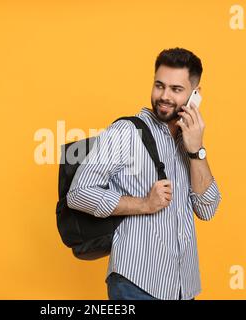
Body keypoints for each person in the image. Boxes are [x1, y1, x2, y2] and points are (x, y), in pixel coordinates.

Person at [67, 47, 222, 300]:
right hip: (136, 284)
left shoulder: (189, 141)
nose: (164, 96)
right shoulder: (125, 133)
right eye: (159, 85)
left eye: (176, 89)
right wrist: (144, 203)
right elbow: (79, 193)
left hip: (183, 288)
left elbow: (207, 209)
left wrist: (196, 150)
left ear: (196, 95)